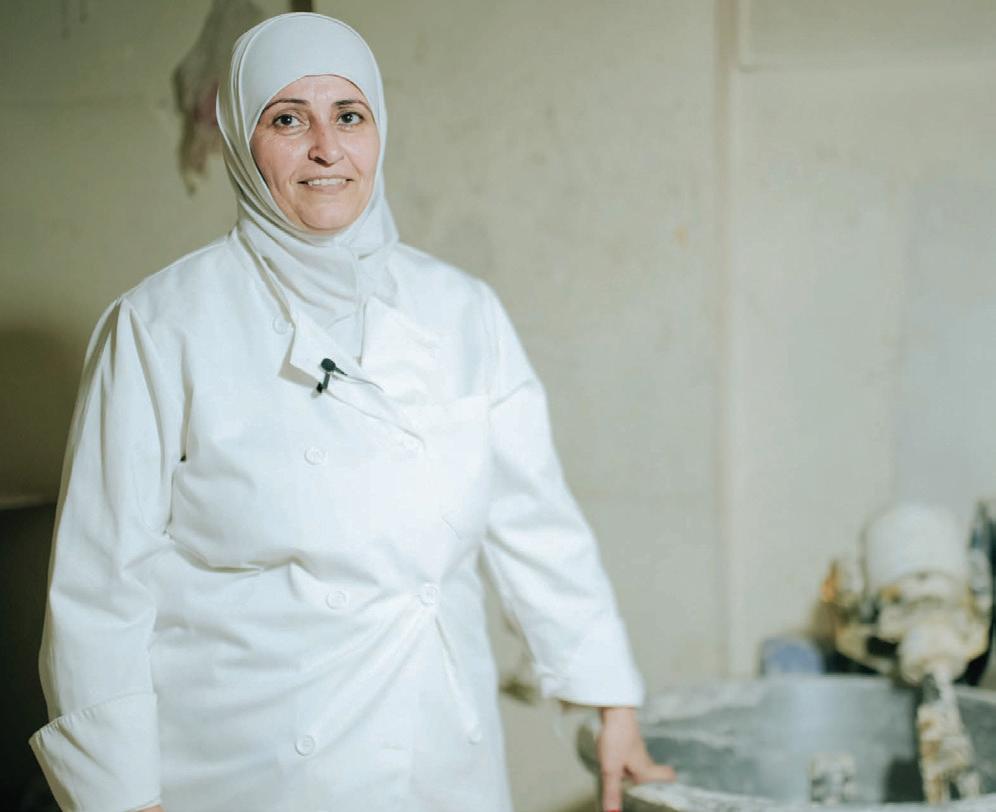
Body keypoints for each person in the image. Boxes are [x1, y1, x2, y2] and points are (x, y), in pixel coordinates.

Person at [30, 13, 672, 812]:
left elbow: (534, 521)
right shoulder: (161, 326)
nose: (326, 149)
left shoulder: (461, 310)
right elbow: (101, 585)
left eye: (349, 115)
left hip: (442, 754)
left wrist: (610, 702)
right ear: (240, 140)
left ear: (379, 130)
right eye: (287, 120)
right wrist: (122, 796)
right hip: (251, 768)